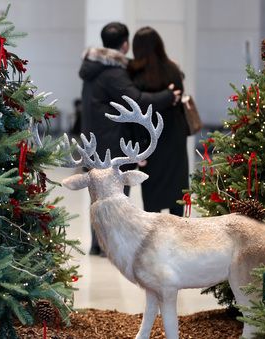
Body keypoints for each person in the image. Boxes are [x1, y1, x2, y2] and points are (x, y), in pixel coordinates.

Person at [79, 22, 180, 256]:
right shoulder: (113, 72)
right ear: (125, 45)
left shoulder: (91, 68)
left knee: (98, 196)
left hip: (93, 142)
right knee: (115, 198)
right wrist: (168, 96)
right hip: (111, 144)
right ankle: (110, 246)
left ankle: (99, 243)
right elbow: (138, 100)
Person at [128, 26, 189, 217]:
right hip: (174, 139)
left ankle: (156, 241)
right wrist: (168, 97)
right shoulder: (172, 70)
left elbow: (135, 110)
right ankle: (179, 241)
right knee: (177, 193)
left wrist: (138, 149)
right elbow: (178, 100)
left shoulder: (134, 75)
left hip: (150, 141)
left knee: (153, 197)